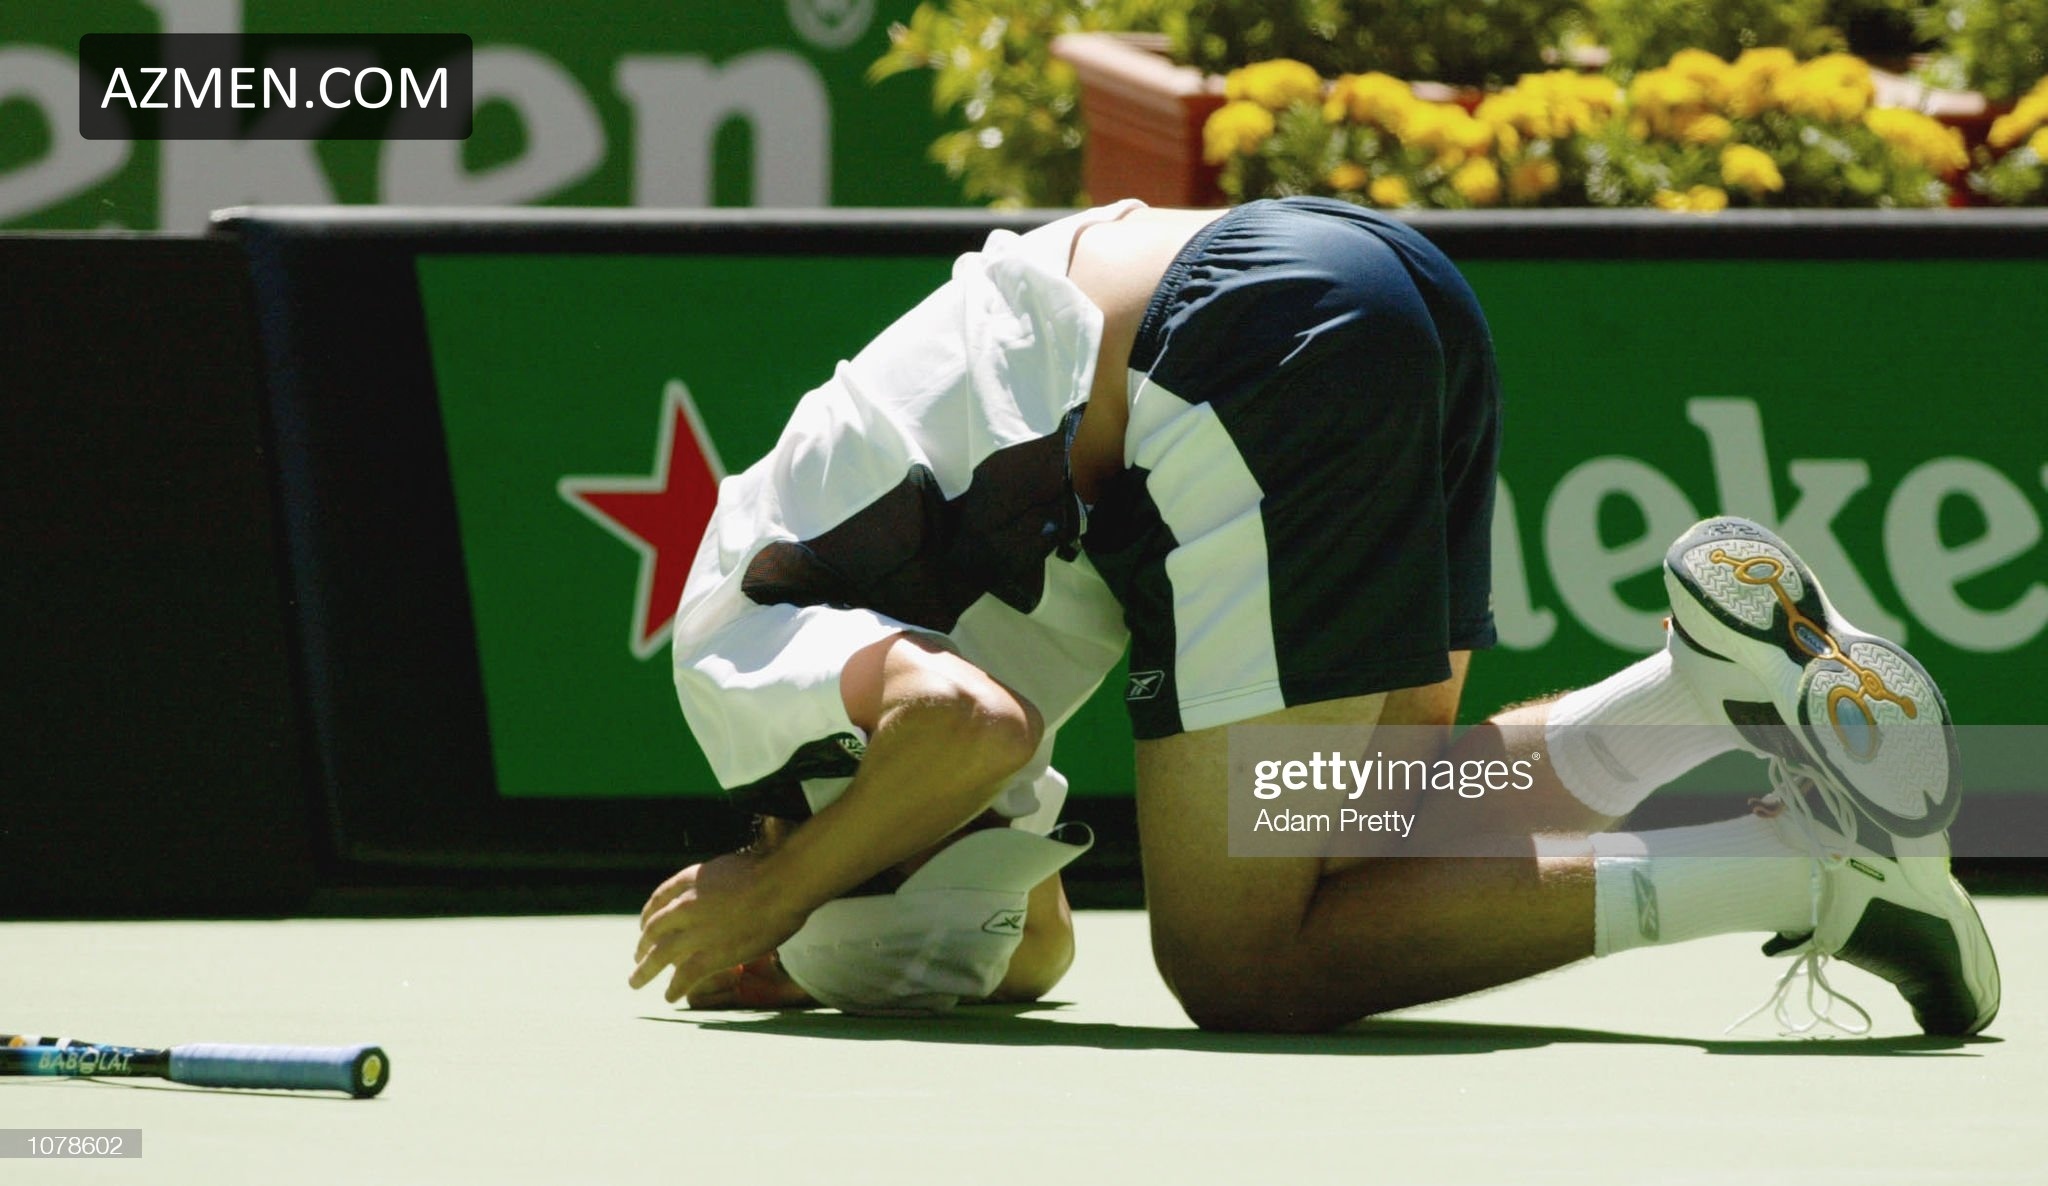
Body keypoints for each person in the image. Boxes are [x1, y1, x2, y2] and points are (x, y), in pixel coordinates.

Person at [628, 197, 1998, 1035]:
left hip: (1229, 357)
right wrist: (800, 925)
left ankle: (1797, 865)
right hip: (1362, 278)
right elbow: (1033, 944)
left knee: (1240, 962)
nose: (1008, 875)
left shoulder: (728, 667)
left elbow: (966, 730)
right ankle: (1702, 692)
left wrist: (775, 903)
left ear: (796, 829)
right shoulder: (869, 757)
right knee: (1362, 820)